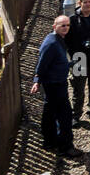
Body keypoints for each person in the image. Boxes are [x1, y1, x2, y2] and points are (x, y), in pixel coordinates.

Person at [31, 15, 79, 156]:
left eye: (68, 25)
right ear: (54, 26)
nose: (66, 28)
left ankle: (49, 142)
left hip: (57, 82)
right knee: (65, 116)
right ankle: (66, 147)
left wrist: (70, 64)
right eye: (62, 25)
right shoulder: (51, 43)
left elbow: (56, 62)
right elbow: (42, 64)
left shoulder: (58, 40)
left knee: (49, 114)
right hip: (55, 85)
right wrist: (37, 80)